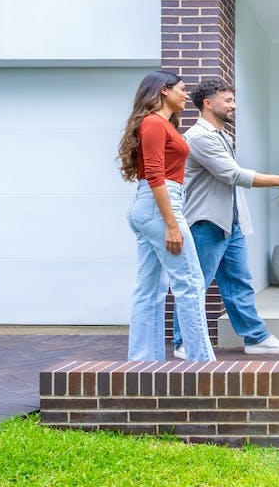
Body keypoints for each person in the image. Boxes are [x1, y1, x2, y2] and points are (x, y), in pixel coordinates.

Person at [172, 78, 279, 359]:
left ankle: (256, 338)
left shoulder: (221, 135)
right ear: (208, 103)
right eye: (227, 100)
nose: (233, 106)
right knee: (195, 284)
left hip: (230, 224)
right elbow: (233, 175)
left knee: (239, 282)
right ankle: (183, 342)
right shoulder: (199, 137)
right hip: (206, 223)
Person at [117, 70, 214, 362]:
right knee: (190, 282)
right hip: (161, 206)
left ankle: (143, 362)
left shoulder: (157, 124)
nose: (186, 95)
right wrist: (172, 224)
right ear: (163, 91)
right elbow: (157, 175)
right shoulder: (154, 124)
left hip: (151, 206)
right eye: (182, 90)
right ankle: (202, 363)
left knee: (150, 287)